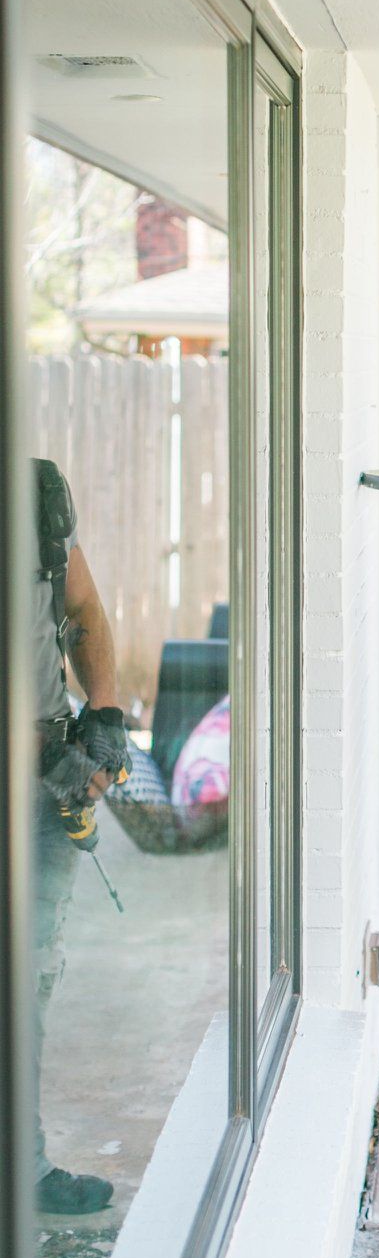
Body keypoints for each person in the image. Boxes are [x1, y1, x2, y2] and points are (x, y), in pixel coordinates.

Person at [31, 458, 131, 1215]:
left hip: (44, 773)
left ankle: (21, 1168)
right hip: (38, 758)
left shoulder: (35, 495)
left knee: (30, 971)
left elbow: (84, 607)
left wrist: (102, 714)